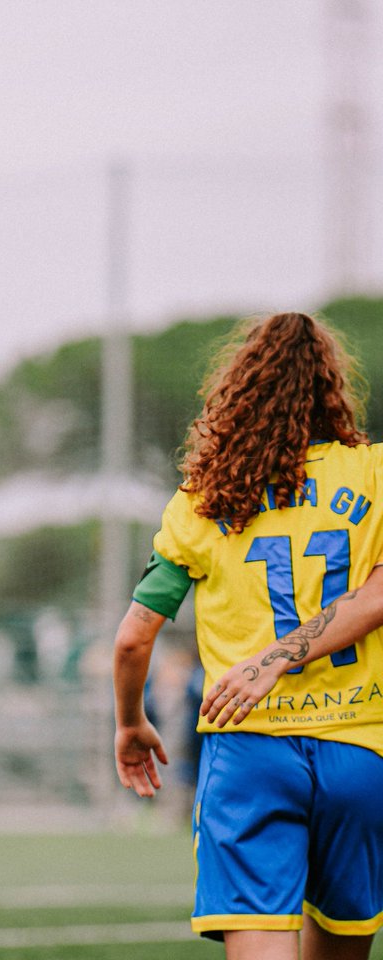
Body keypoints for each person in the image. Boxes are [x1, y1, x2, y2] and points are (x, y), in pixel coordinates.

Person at [112, 312, 383, 960]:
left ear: (239, 392)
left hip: (248, 751)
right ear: (332, 389)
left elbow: (132, 639)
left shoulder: (204, 496)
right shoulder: (374, 474)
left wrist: (129, 723)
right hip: (360, 749)